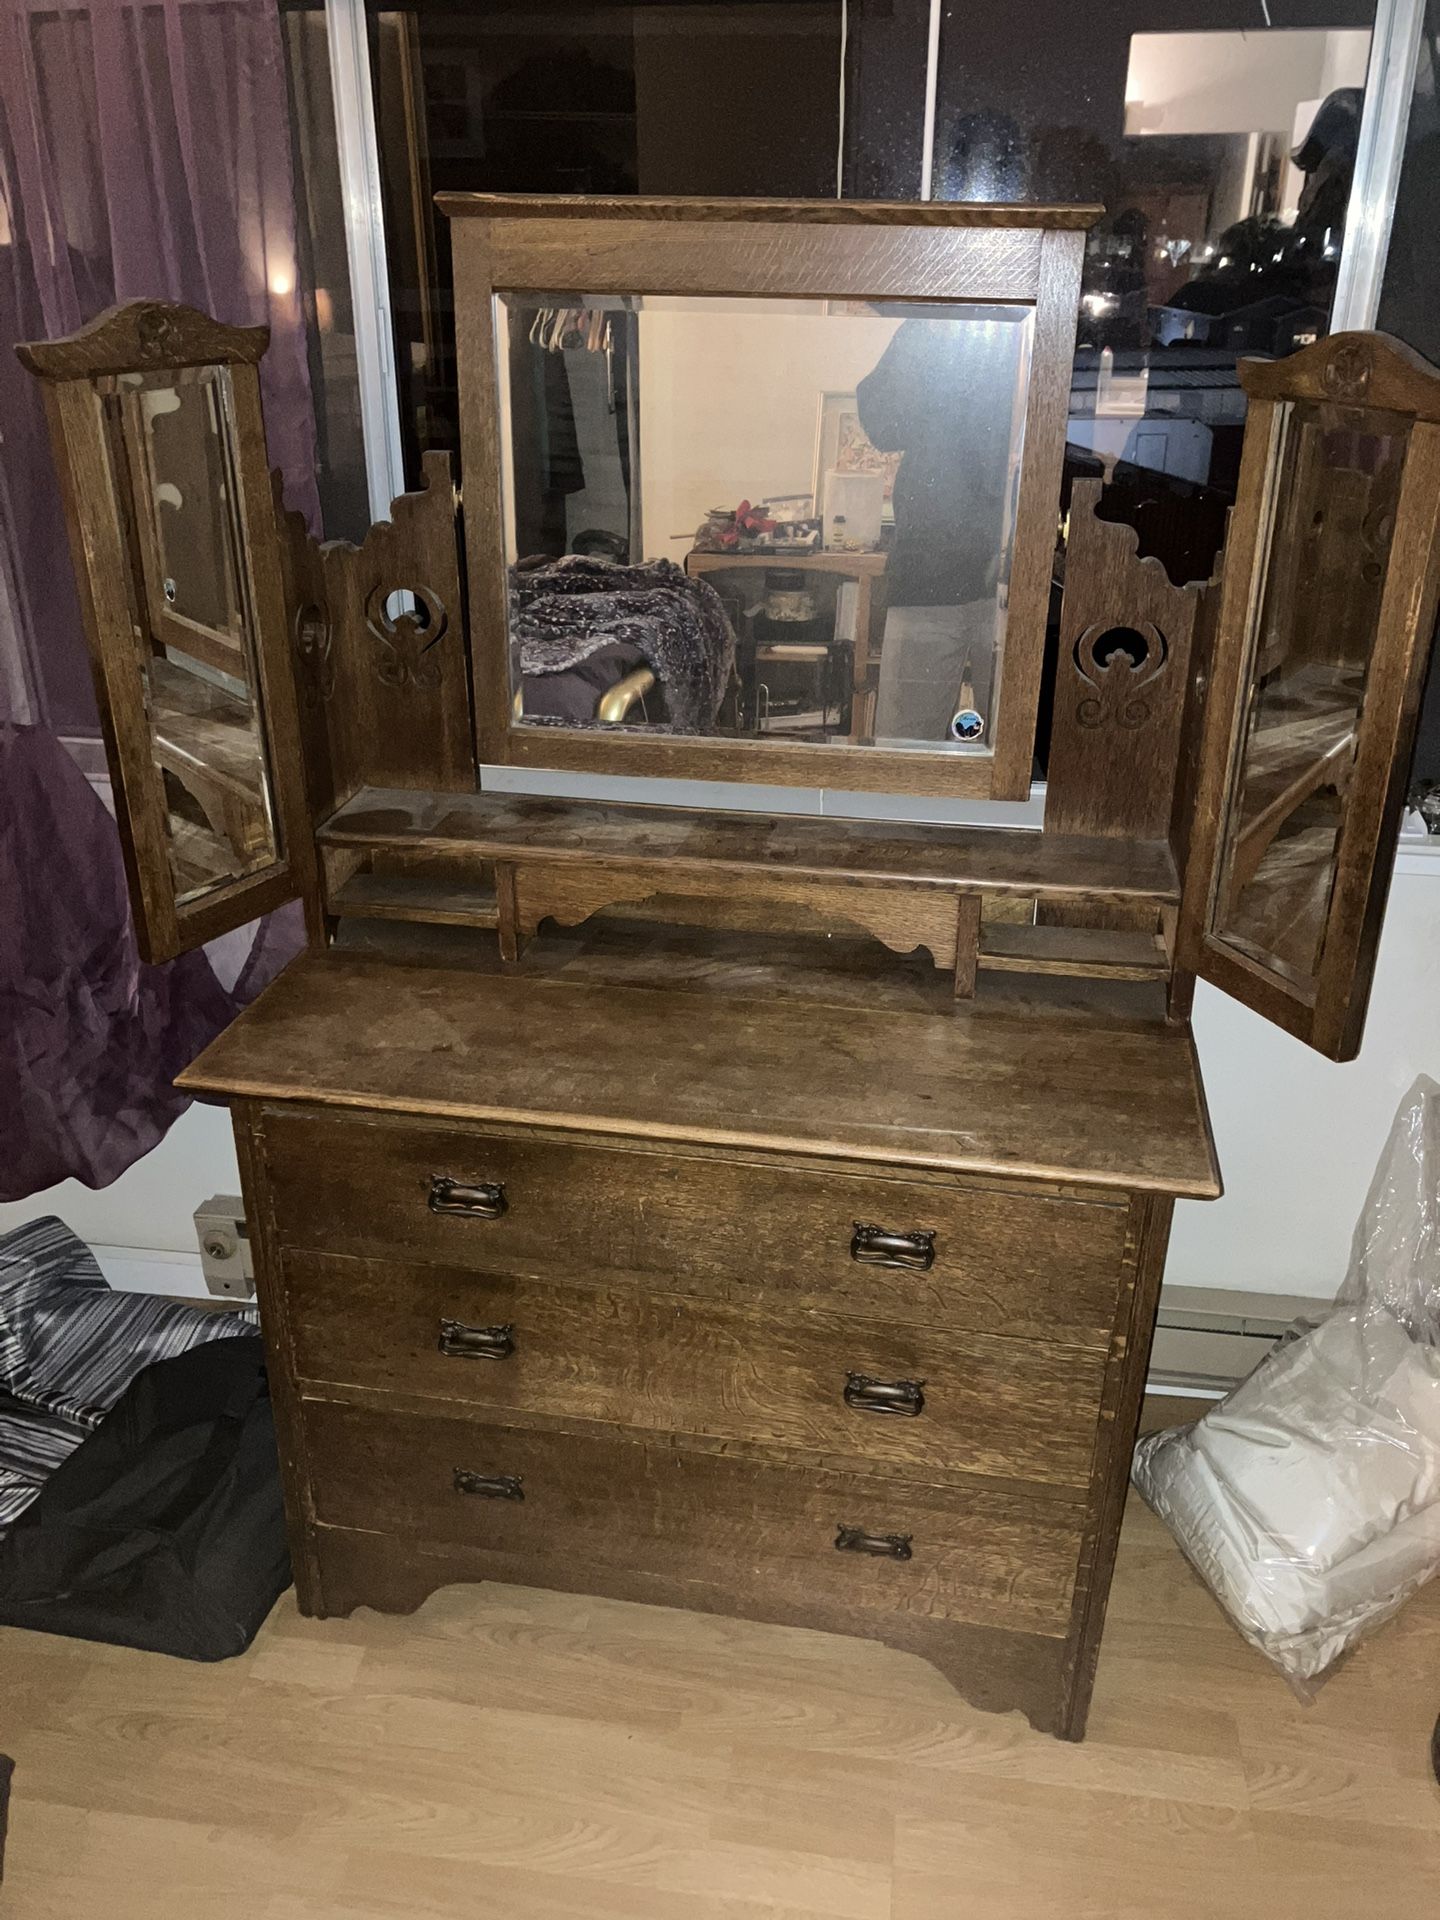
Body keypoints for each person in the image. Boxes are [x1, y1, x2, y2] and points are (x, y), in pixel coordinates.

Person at [855, 313, 1018, 743]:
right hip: (929, 571)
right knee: (905, 743)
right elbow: (883, 424)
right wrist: (930, 330)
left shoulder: (1033, 329)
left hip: (1020, 576)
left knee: (1015, 744)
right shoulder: (930, 327)